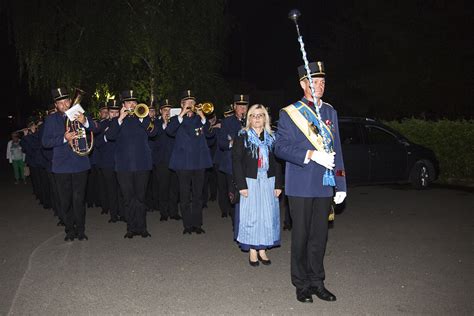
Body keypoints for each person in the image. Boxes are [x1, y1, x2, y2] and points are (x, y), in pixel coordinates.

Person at [275, 61, 347, 303]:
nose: (320, 86)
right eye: (315, 81)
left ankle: (317, 282)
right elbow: (281, 148)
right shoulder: (289, 113)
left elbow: (337, 150)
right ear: (303, 84)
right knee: (301, 237)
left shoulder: (330, 112)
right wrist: (311, 154)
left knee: (320, 237)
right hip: (300, 185)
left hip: (324, 185)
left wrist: (341, 185)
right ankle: (301, 284)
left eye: (323, 82)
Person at [42, 87, 98, 241]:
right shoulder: (51, 120)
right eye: (60, 103)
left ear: (70, 101)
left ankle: (81, 231)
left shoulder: (78, 113)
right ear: (56, 105)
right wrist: (64, 138)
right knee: (65, 201)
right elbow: (45, 142)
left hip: (80, 163)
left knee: (79, 200)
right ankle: (69, 231)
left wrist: (84, 121)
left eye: (66, 101)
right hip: (61, 166)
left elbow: (95, 128)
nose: (64, 105)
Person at [232, 104, 282, 266]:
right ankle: (253, 250)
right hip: (250, 180)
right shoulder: (243, 136)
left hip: (269, 180)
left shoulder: (272, 137)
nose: (257, 119)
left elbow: (278, 163)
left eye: (260, 115)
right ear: (249, 118)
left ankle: (263, 249)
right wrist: (241, 185)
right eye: (253, 115)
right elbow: (237, 162)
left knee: (267, 216)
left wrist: (279, 184)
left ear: (265, 118)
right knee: (252, 216)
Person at [105, 90, 158, 238]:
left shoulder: (143, 118)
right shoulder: (117, 121)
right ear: (123, 105)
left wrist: (143, 119)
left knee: (141, 198)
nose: (132, 104)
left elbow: (154, 132)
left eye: (134, 102)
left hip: (142, 164)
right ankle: (130, 228)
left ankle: (142, 228)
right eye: (129, 102)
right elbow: (109, 136)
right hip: (123, 166)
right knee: (128, 199)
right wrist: (120, 118)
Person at [167, 90, 212, 234]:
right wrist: (181, 114)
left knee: (198, 196)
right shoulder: (176, 119)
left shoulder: (200, 119)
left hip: (199, 162)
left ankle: (197, 224)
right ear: (182, 104)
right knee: (185, 196)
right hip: (183, 164)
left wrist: (202, 116)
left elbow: (210, 134)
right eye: (188, 102)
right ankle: (187, 225)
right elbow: (169, 131)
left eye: (193, 102)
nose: (191, 105)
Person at [218, 95, 249, 221]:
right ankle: (236, 223)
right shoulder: (227, 122)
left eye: (245, 106)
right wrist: (233, 142)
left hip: (248, 165)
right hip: (231, 164)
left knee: (248, 195)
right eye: (240, 106)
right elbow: (222, 143)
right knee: (234, 195)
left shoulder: (252, 120)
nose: (242, 109)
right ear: (234, 107)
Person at [152, 99, 180, 222]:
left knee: (174, 188)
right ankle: (163, 212)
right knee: (163, 188)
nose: (167, 112)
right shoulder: (155, 123)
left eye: (169, 110)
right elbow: (155, 135)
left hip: (174, 160)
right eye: (164, 110)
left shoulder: (176, 122)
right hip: (162, 160)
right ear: (160, 111)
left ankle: (173, 212)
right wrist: (164, 122)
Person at [95, 99, 122, 223]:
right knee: (111, 189)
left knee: (122, 189)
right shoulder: (103, 124)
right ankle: (113, 215)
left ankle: (123, 213)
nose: (115, 115)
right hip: (107, 162)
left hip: (122, 161)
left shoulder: (124, 123)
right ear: (108, 112)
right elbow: (96, 143)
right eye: (112, 112)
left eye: (117, 112)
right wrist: (105, 136)